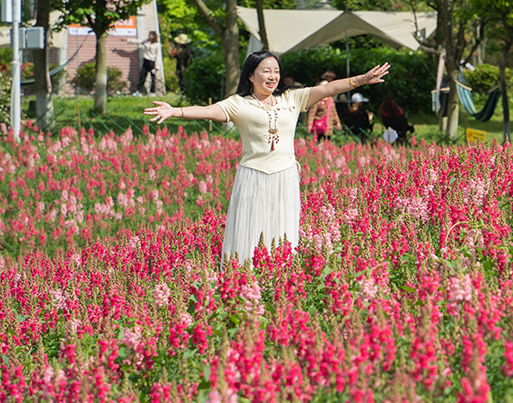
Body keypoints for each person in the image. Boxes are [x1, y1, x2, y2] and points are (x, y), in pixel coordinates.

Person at [144, 51, 390, 265]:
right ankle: (242, 282)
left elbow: (327, 89)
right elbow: (208, 111)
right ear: (251, 75)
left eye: (276, 71)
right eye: (265, 71)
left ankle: (279, 281)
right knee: (249, 232)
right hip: (253, 176)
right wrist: (175, 111)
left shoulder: (292, 98)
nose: (272, 76)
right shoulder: (238, 104)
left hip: (285, 176)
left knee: (283, 232)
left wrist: (360, 80)